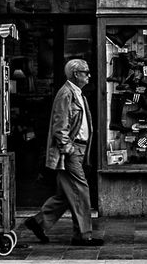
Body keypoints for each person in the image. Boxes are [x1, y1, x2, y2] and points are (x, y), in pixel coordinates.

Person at [23, 58, 104, 247]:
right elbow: (60, 125)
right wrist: (67, 148)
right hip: (71, 150)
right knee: (81, 190)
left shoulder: (77, 93)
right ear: (76, 74)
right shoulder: (66, 93)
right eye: (86, 72)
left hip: (79, 149)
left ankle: (38, 222)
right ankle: (83, 235)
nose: (89, 75)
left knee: (68, 193)